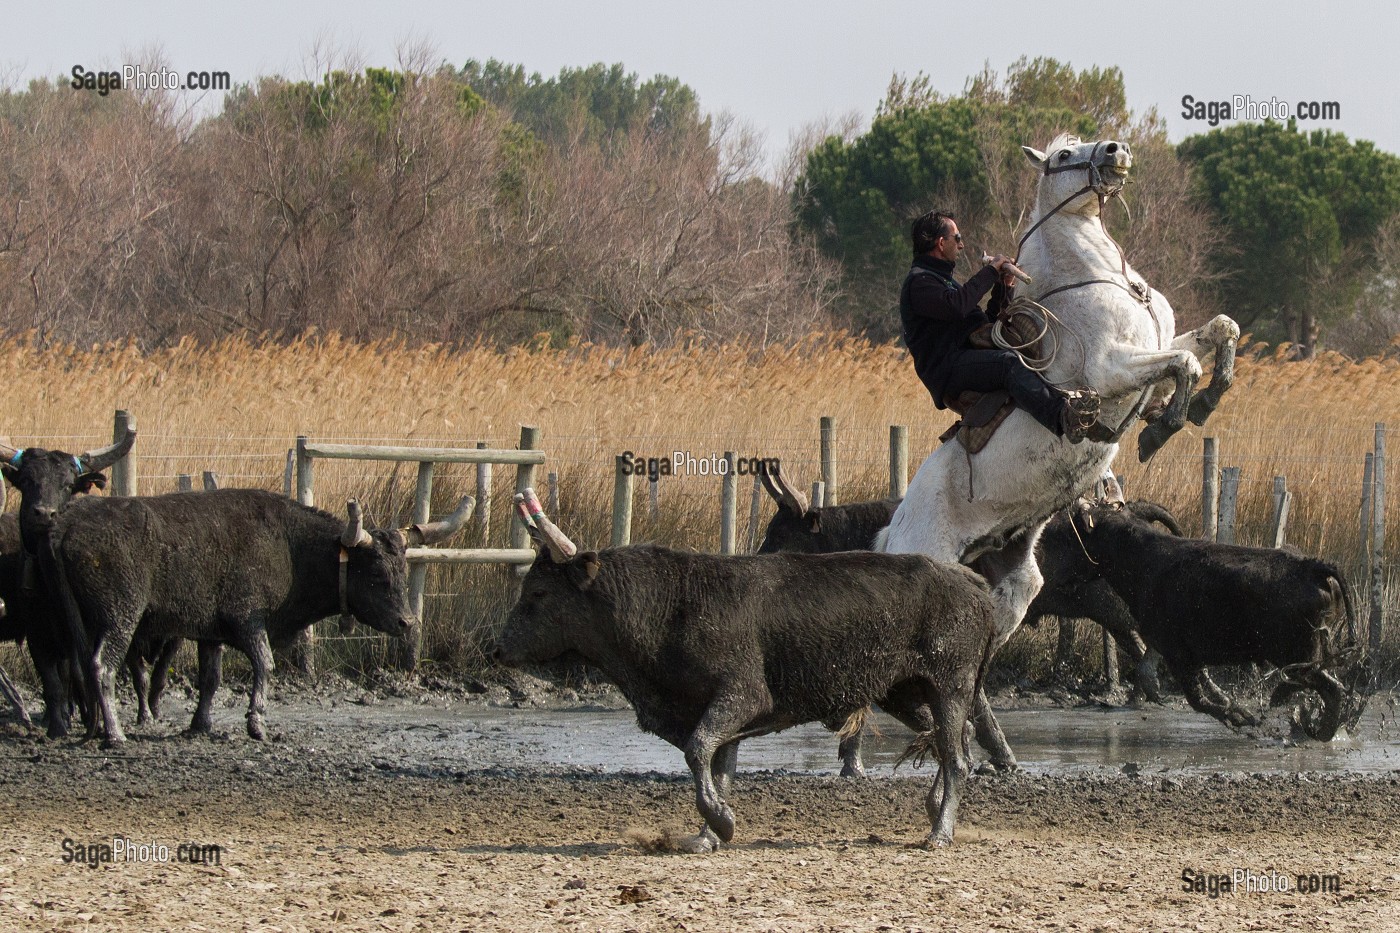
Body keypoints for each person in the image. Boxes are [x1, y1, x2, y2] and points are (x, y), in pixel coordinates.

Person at [899, 210, 1100, 443]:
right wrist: (990, 271)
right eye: (958, 237)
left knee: (1019, 356)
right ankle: (1061, 417)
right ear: (941, 243)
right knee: (1008, 364)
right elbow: (958, 306)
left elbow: (986, 326)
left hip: (965, 357)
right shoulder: (920, 283)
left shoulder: (943, 281)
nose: (961, 244)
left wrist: (1003, 286)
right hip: (948, 369)